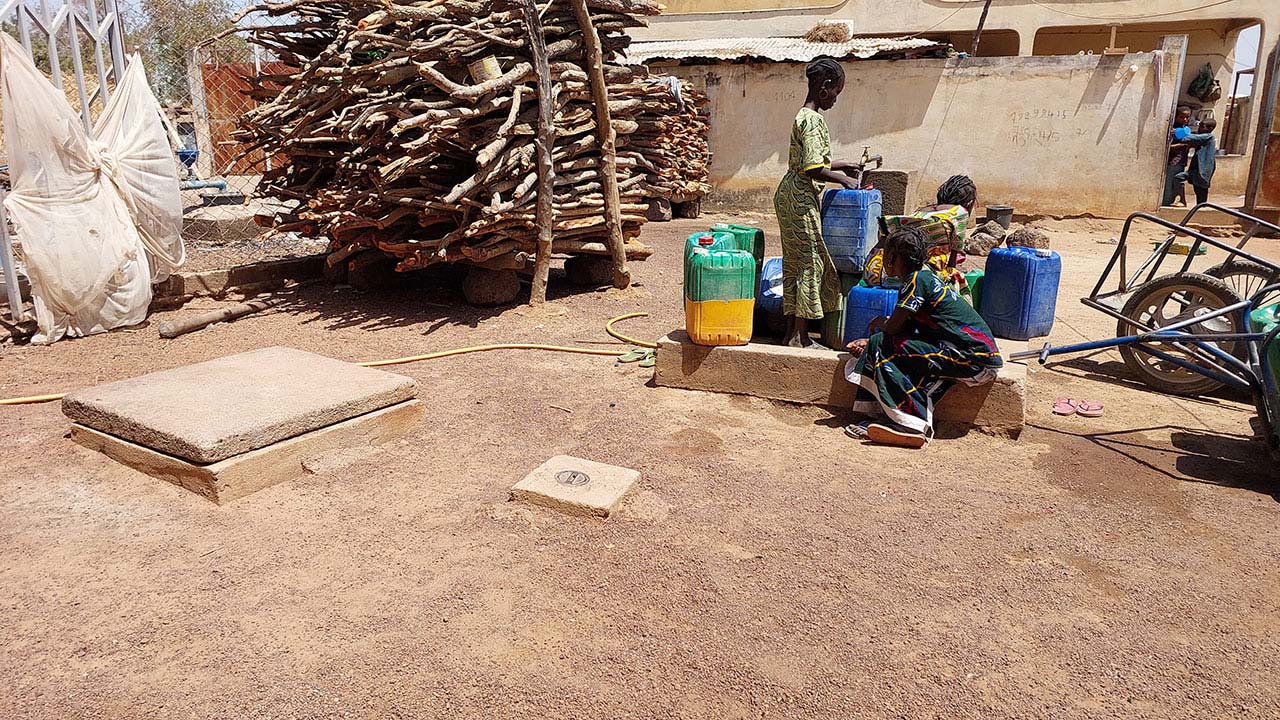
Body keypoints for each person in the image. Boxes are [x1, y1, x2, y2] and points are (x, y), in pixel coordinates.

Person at [843, 225, 1004, 448]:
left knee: (882, 344)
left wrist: (879, 324)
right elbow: (907, 331)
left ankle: (909, 423)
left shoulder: (917, 281)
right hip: (972, 356)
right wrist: (869, 341)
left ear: (893, 258)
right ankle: (887, 416)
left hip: (971, 358)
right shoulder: (925, 278)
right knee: (884, 346)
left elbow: (891, 329)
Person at [773, 57, 862, 348]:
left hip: (790, 192)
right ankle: (800, 338)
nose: (837, 98)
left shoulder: (802, 116)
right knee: (811, 264)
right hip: (800, 196)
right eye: (837, 91)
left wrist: (842, 164)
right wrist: (844, 180)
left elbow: (807, 161)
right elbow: (812, 168)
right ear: (825, 88)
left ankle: (790, 333)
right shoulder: (814, 120)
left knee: (796, 263)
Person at [863, 175, 977, 300]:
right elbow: (952, 263)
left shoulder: (921, 212)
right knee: (956, 278)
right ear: (969, 203)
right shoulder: (959, 213)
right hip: (905, 277)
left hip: (873, 271)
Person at [1176, 117, 1218, 206]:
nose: (1199, 128)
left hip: (1202, 171)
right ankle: (1181, 199)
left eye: (1202, 126)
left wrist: (1176, 132)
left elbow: (1189, 138)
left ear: (1209, 129)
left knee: (1201, 194)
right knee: (1178, 178)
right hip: (1195, 170)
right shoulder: (1204, 139)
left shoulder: (1209, 137)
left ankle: (1201, 210)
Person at [1163, 106, 1193, 207]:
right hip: (1173, 161)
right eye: (1182, 117)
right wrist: (1184, 145)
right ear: (1176, 117)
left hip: (1181, 161)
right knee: (1169, 183)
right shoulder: (1173, 130)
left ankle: (1178, 200)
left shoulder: (1185, 129)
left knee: (1177, 181)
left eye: (1187, 117)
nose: (1185, 119)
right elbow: (1168, 147)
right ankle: (1166, 203)